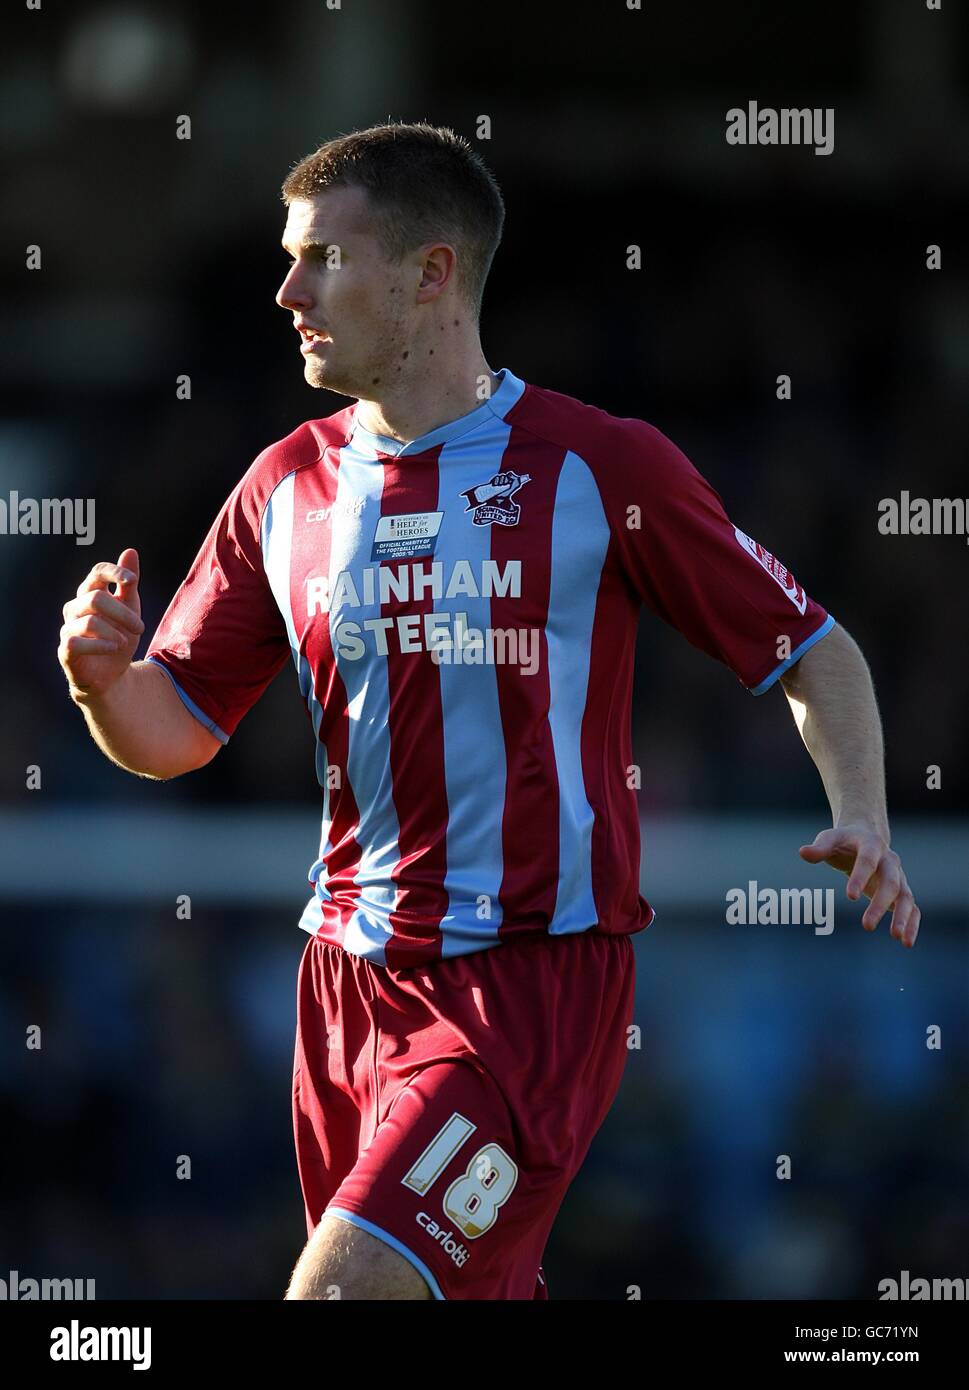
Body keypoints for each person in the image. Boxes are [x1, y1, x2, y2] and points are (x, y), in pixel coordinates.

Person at [57, 121, 920, 1301]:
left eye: (323, 257)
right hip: (346, 984)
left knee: (340, 1292)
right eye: (287, 255)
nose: (286, 288)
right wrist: (105, 681)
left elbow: (816, 651)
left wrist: (863, 813)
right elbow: (170, 733)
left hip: (526, 992)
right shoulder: (284, 486)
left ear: (429, 274)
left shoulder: (596, 466)